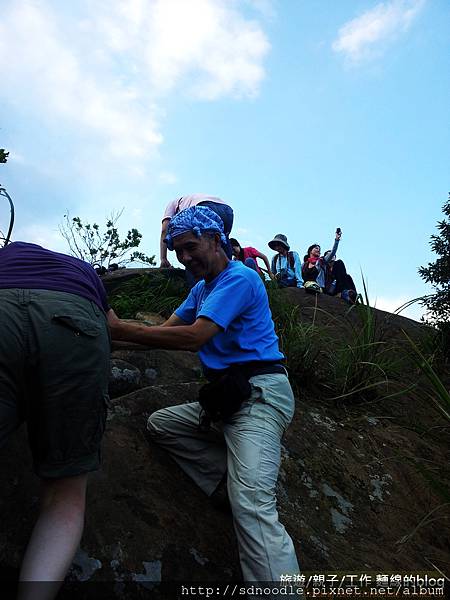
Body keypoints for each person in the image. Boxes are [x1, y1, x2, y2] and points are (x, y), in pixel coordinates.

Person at [108, 206, 300, 583]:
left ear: (216, 240)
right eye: (178, 251)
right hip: (228, 397)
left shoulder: (239, 278)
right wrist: (109, 338)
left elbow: (194, 336)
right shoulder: (202, 289)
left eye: (191, 247)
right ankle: (229, 485)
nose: (184, 257)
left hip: (259, 396)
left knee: (254, 507)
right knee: (161, 424)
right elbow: (164, 333)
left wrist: (123, 330)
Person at [0, 241, 111, 600]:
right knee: (64, 492)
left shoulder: (8, 257)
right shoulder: (82, 270)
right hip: (75, 317)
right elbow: (112, 327)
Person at [160, 193, 233, 268]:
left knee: (194, 256)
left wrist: (163, 258)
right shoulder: (189, 199)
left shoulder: (172, 204)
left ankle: (196, 279)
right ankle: (230, 272)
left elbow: (164, 230)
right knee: (222, 243)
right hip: (226, 210)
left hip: (204, 206)